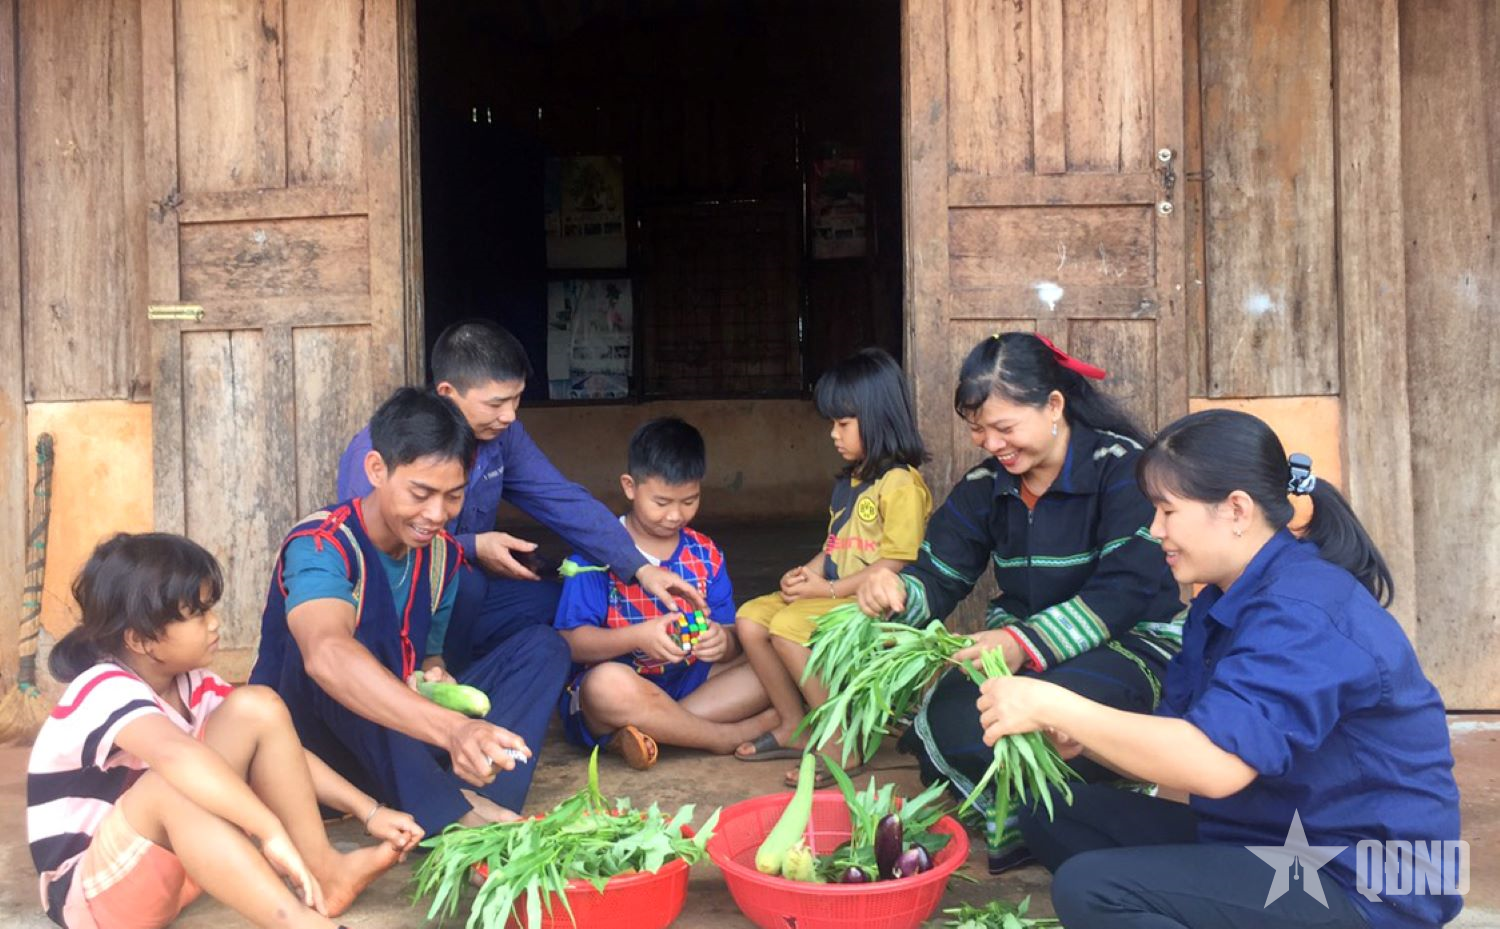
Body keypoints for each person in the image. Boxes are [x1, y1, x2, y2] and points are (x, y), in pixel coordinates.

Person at [974, 408, 1462, 929]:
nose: (1154, 529)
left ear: (1236, 510)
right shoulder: (1221, 601)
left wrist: (1056, 704)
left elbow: (1215, 766)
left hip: (1367, 882)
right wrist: (1080, 736)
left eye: (1167, 510)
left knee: (1091, 889)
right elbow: (1178, 739)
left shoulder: (1303, 609)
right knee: (1052, 813)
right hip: (1268, 841)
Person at [856, 332, 1186, 871]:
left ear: (1054, 405)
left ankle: (1087, 810)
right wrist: (894, 592)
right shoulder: (985, 487)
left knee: (1065, 714)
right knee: (950, 713)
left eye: (1004, 428)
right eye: (978, 429)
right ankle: (1028, 814)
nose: (991, 443)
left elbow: (1126, 590)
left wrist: (1019, 643)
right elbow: (938, 575)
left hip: (1129, 647)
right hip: (1022, 653)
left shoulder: (1124, 469)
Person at [28, 533, 419, 929]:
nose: (214, 622)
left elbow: (287, 756)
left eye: (209, 608)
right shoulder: (102, 687)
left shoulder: (193, 684)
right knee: (175, 781)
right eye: (197, 613)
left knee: (258, 707)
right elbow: (177, 757)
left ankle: (325, 874)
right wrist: (269, 829)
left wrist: (368, 810)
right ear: (141, 639)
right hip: (94, 897)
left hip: (173, 868)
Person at [252, 388, 570, 833]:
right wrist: (452, 729)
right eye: (420, 492)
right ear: (376, 470)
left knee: (543, 648)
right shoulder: (322, 545)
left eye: (454, 496)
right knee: (339, 659)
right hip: (316, 756)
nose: (437, 514)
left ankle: (477, 799)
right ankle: (446, 811)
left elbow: (429, 659)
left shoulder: (440, 555)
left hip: (399, 746)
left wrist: (437, 677)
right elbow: (326, 655)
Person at [335, 320, 706, 680]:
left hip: (462, 599)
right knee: (465, 582)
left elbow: (561, 500)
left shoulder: (502, 437)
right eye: (497, 403)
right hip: (393, 604)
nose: (510, 415)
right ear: (448, 393)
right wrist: (473, 547)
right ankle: (441, 679)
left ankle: (477, 672)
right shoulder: (387, 448)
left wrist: (639, 567)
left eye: (516, 398)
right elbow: (376, 553)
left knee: (555, 600)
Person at [732, 347, 932, 787]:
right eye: (832, 424)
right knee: (750, 619)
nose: (833, 434)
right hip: (834, 593)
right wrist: (804, 575)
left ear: (877, 419)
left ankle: (843, 741)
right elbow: (833, 547)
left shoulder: (900, 484)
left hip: (870, 605)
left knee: (787, 629)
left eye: (843, 424)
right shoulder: (850, 481)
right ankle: (793, 723)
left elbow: (896, 563)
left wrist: (826, 591)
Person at [554, 418, 776, 767]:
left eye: (689, 500)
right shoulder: (594, 555)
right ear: (630, 487)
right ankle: (721, 737)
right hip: (625, 685)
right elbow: (571, 643)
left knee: (771, 659)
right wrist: (638, 637)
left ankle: (657, 730)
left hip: (693, 681)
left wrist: (724, 641)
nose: (675, 515)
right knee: (605, 686)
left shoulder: (705, 553)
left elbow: (730, 632)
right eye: (661, 502)